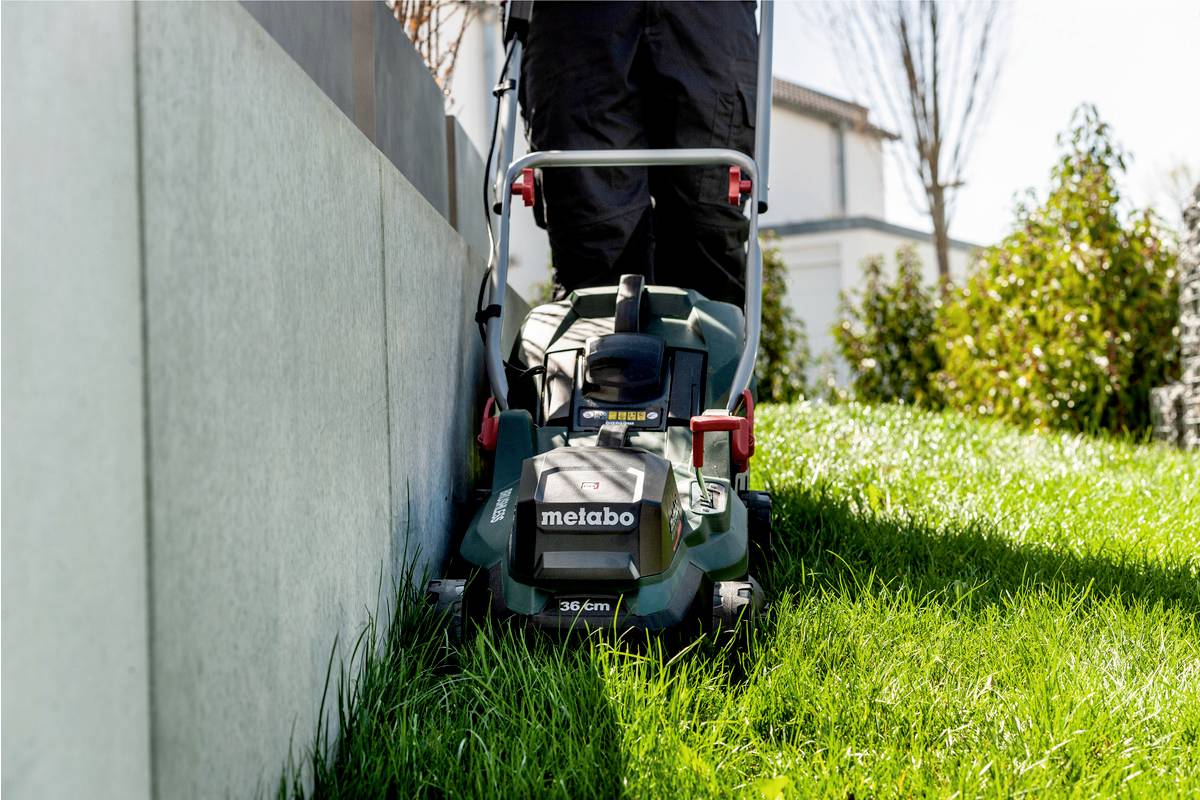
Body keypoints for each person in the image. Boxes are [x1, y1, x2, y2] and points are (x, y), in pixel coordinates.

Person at [519, 1, 758, 306]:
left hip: (708, 18)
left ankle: (708, 344)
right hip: (574, 20)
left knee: (706, 230)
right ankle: (600, 344)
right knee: (594, 235)